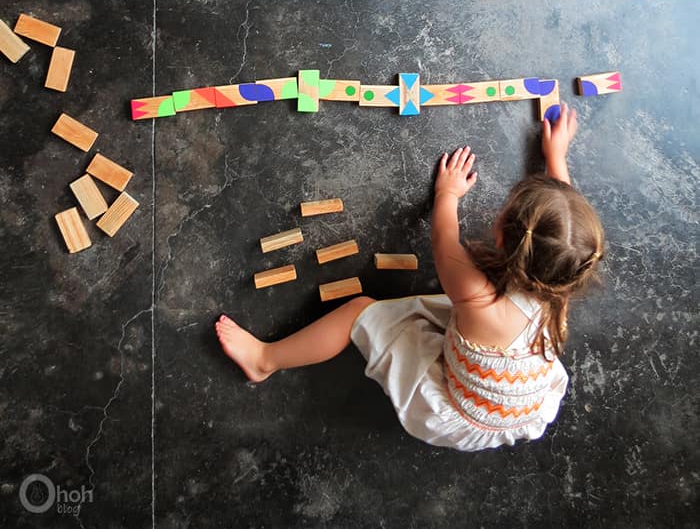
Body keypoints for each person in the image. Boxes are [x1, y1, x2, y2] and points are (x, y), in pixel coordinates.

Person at [215, 102, 605, 451]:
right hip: (520, 406)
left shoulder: (474, 294)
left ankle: (264, 359)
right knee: (438, 311)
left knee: (359, 310)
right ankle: (265, 358)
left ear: (503, 235)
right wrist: (556, 157)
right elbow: (561, 232)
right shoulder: (561, 279)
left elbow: (443, 238)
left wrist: (448, 194)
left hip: (454, 407)